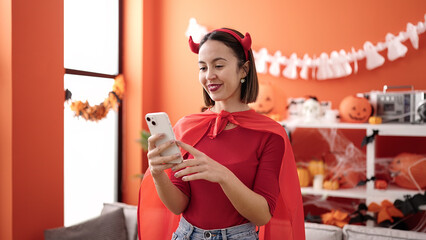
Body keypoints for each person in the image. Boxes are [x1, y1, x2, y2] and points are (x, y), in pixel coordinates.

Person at [138, 28, 305, 240]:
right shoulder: (187, 127)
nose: (209, 76)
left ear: (243, 70)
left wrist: (223, 176)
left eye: (218, 65)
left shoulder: (270, 134)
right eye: (202, 67)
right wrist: (157, 173)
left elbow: (262, 215)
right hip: (185, 235)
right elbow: (178, 205)